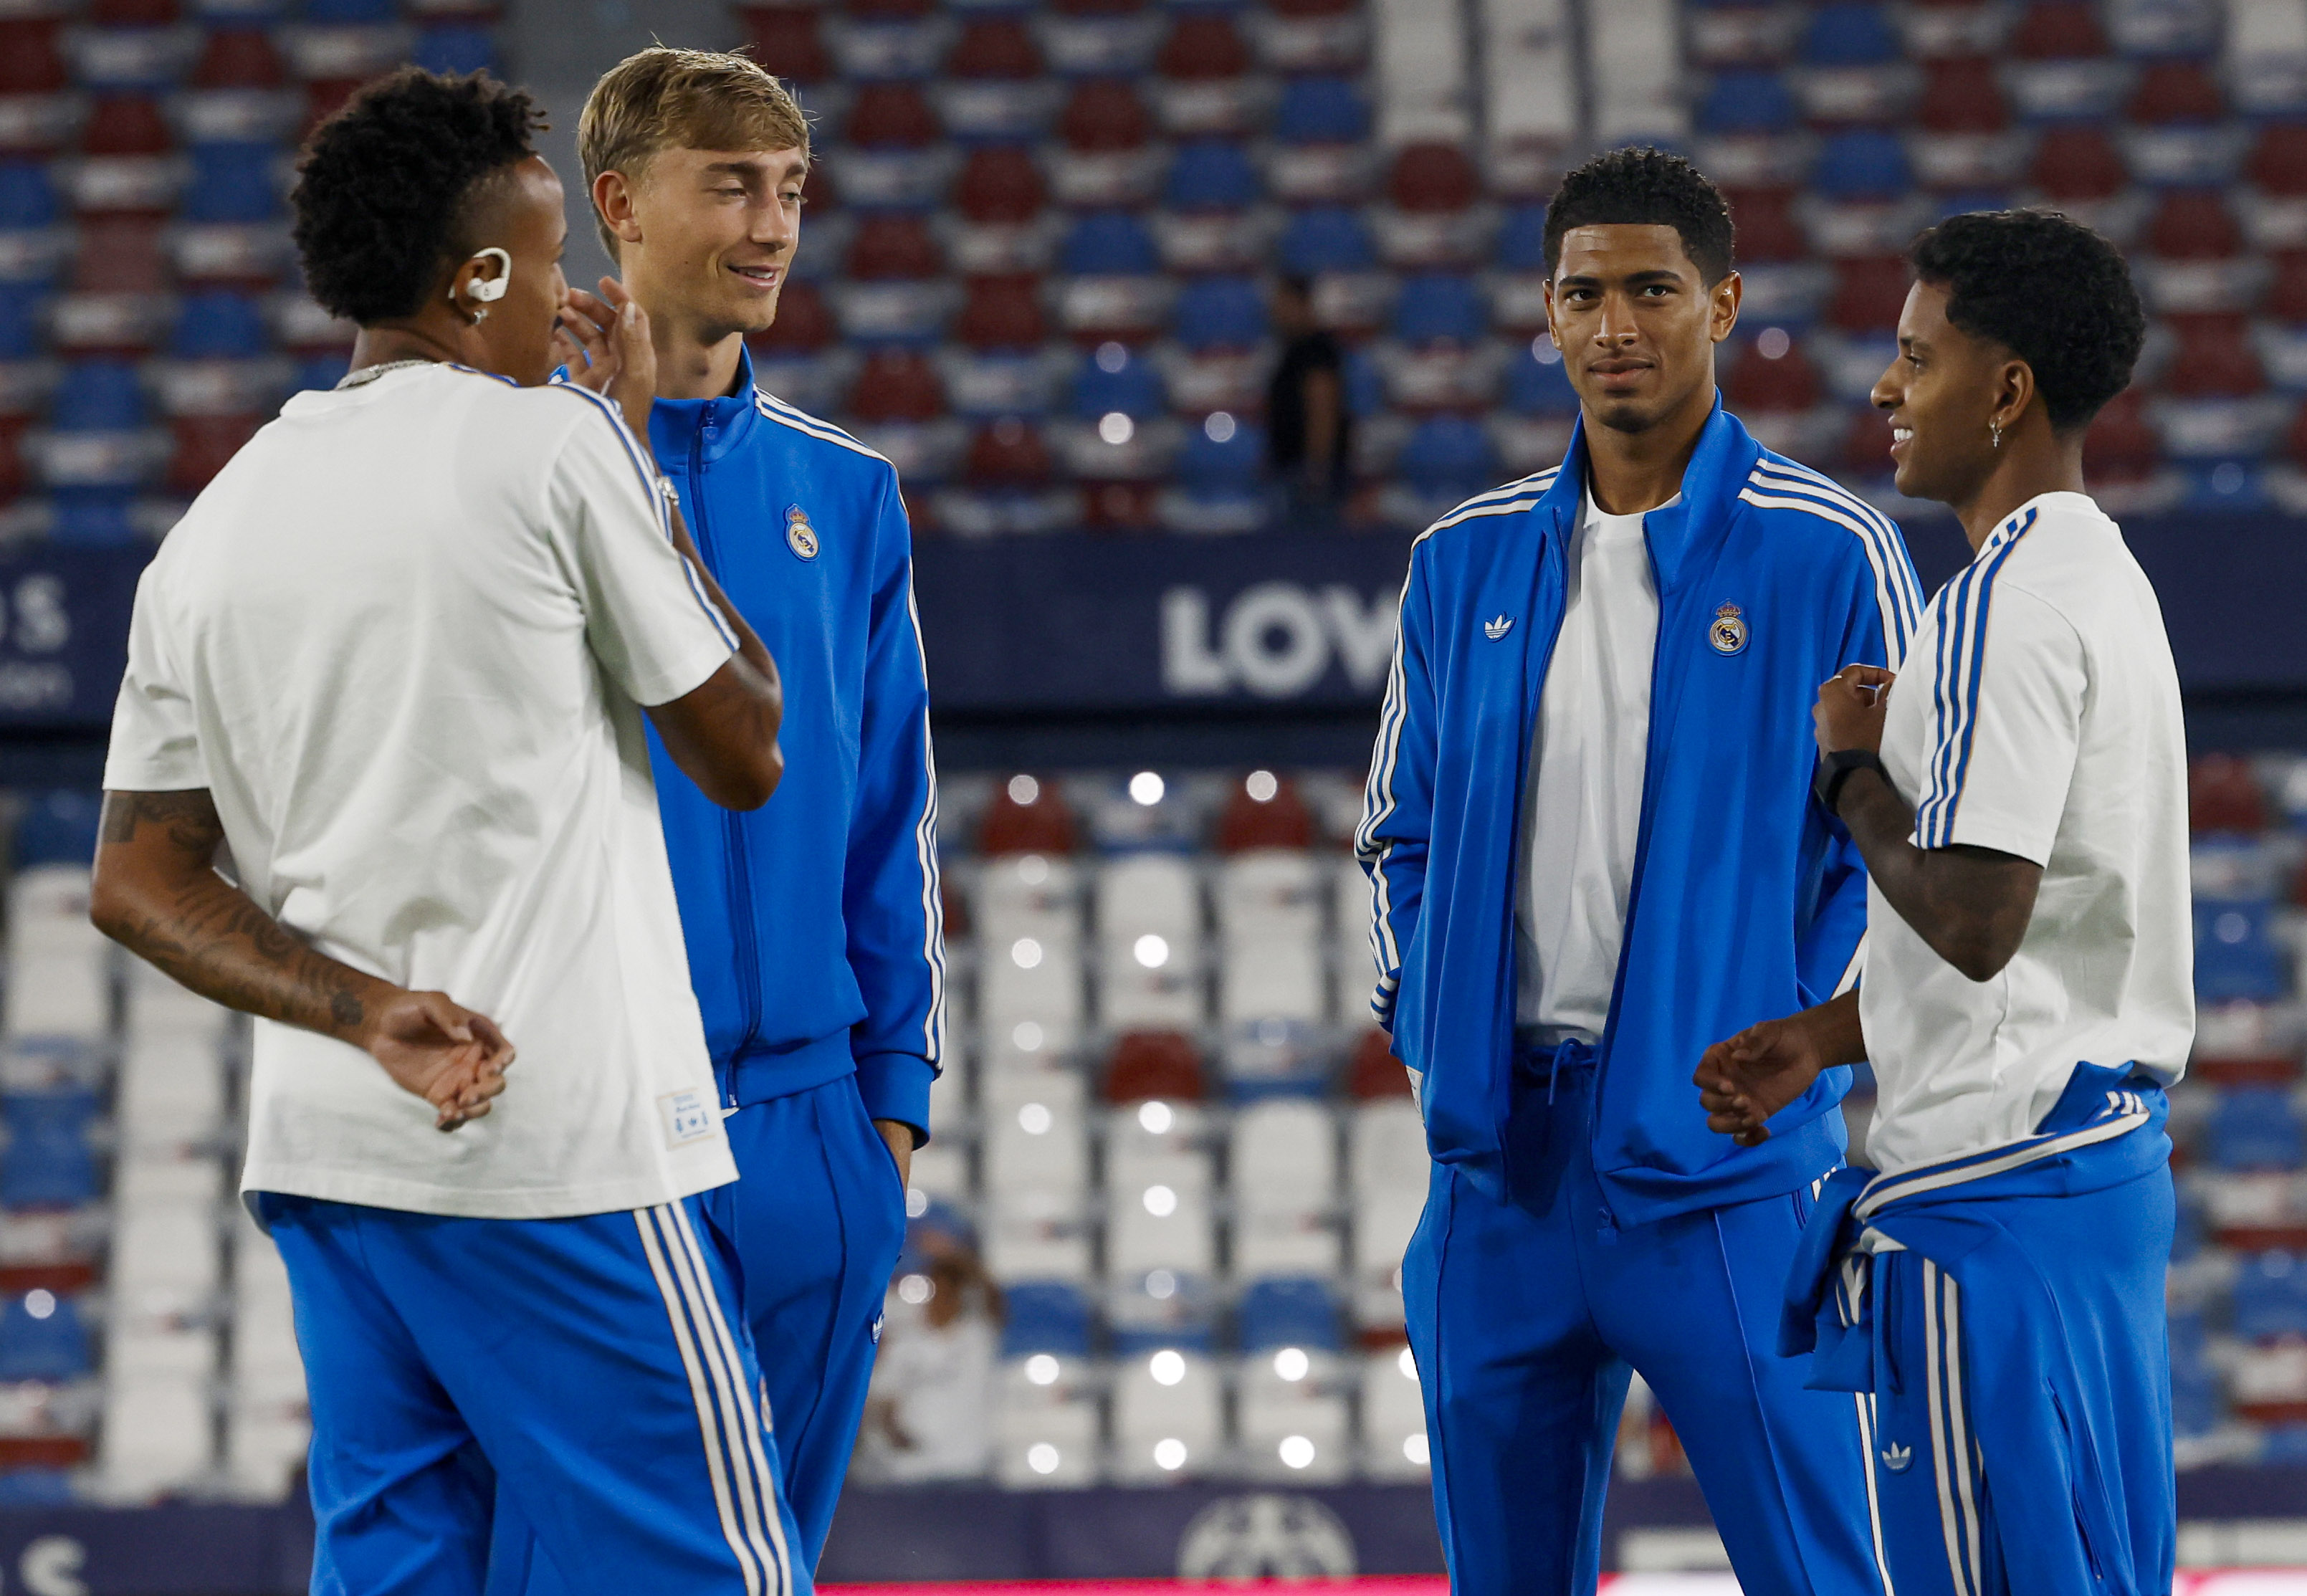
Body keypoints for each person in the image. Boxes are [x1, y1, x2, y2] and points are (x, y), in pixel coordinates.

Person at [88, 67, 804, 1596]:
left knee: (402, 1577)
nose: (570, 300)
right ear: (479, 276)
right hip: (562, 1157)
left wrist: (364, 1013)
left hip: (335, 1161)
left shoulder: (211, 528)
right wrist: (630, 458)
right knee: (712, 1572)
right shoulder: (553, 454)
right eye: (552, 266)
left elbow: (140, 878)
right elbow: (745, 745)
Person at [1357, 145, 1924, 1595]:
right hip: (1500, 1177)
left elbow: (1905, 843)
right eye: (1583, 291)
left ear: (1722, 302)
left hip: (1728, 1174)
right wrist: (1434, 1034)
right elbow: (1395, 834)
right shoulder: (1459, 563)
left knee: (1826, 1572)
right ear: (1545, 316)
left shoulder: (1830, 549)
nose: (1615, 322)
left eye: (1652, 289)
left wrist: (1798, 1037)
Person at [492, 47, 945, 1585]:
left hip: (819, 1144)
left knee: (769, 1572)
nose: (771, 226)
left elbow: (893, 825)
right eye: (732, 186)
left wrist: (887, 1119)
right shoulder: (502, 479)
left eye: (792, 191)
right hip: (602, 1135)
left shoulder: (853, 493)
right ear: (617, 204)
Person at [1696, 209, 2185, 1596]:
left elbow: (1974, 919)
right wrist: (1831, 1034)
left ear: (2006, 388)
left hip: (1988, 1203)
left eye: (1915, 358)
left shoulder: (1996, 605)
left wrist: (1846, 771)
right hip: (2085, 1169)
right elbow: (2049, 930)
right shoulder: (2105, 579)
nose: (1884, 390)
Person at [856, 1205, 1003, 1485]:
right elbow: (878, 1404)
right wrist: (893, 1426)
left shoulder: (976, 1335)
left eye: (950, 1291)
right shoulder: (902, 1347)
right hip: (898, 1478)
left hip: (964, 1473)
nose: (942, 1298)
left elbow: (994, 1298)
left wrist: (951, 1255)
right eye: (937, 1290)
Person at [1266, 274, 1350, 529]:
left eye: (1282, 305)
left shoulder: (1314, 350)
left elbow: (1322, 407)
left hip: (1308, 474)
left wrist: (1316, 468)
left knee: (1312, 550)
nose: (1276, 313)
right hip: (1295, 469)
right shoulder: (1294, 349)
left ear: (1299, 303)